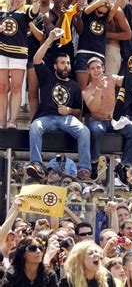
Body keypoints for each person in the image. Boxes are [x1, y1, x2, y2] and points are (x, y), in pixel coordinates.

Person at [26, 29, 92, 180]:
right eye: (62, 63)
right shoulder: (47, 76)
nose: (66, 66)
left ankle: (84, 169)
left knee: (84, 131)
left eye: (68, 63)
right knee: (35, 126)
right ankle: (36, 164)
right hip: (46, 117)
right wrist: (49, 40)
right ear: (55, 66)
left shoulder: (75, 86)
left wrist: (69, 110)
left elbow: (78, 112)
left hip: (66, 120)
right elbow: (36, 59)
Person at [82, 57, 132, 181]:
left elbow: (128, 81)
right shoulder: (87, 91)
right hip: (98, 120)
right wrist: (98, 89)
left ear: (103, 68)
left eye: (98, 67)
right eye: (93, 68)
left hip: (115, 120)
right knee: (95, 130)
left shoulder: (112, 79)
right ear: (88, 71)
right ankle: (94, 164)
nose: (96, 70)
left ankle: (123, 166)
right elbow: (94, 108)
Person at [0, 0, 40, 129]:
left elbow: (35, 11)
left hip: (19, 53)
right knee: (2, 88)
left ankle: (12, 121)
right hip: (1, 51)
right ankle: (2, 121)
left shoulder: (26, 9)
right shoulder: (2, 6)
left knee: (17, 88)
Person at [75, 0, 123, 90]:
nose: (101, 13)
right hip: (84, 53)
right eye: (100, 9)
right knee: (83, 89)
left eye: (104, 11)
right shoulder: (86, 14)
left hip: (99, 56)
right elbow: (97, 4)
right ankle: (80, 107)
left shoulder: (105, 19)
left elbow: (116, 7)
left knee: (96, 89)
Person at [42, 0, 83, 72]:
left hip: (67, 48)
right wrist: (61, 17)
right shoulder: (48, 16)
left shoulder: (69, 12)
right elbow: (53, 35)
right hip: (53, 49)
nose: (62, 0)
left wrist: (78, 16)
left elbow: (79, 30)